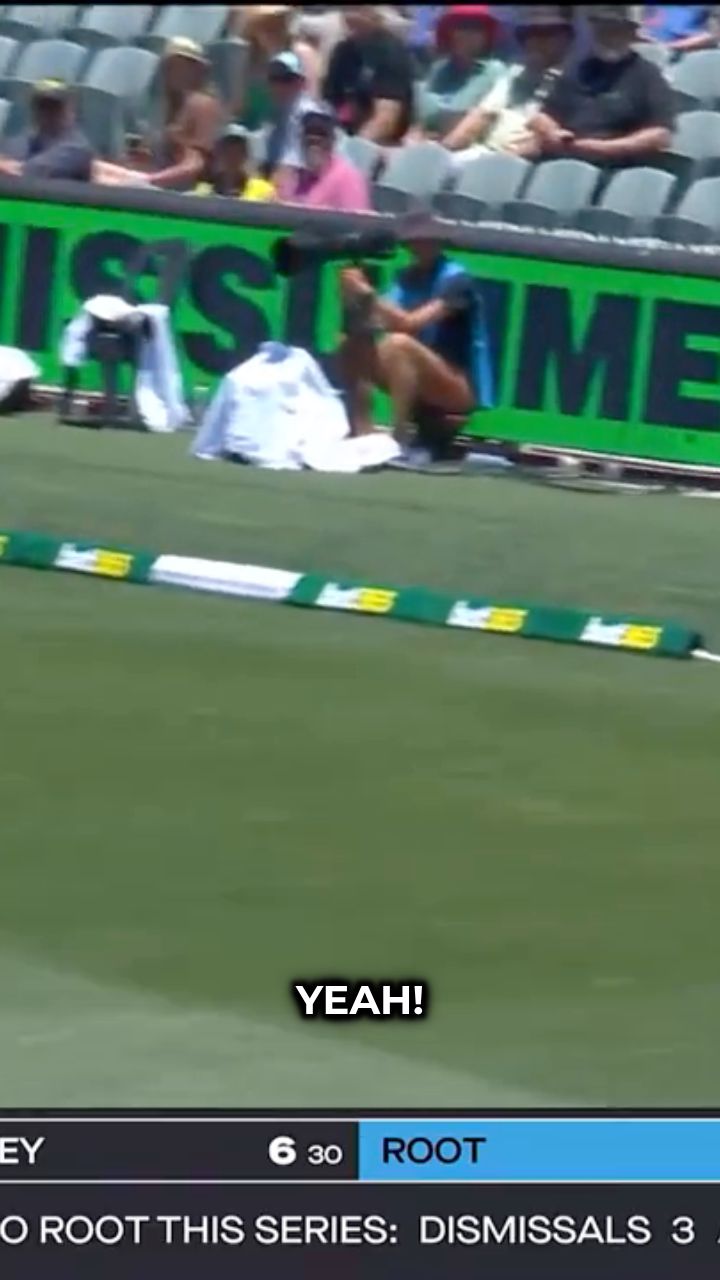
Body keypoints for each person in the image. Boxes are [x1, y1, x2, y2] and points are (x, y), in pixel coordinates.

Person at [338, 210, 492, 452]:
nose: (421, 247)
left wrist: (368, 294)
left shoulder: (458, 281)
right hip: (415, 374)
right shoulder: (405, 277)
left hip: (459, 387)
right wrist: (353, 299)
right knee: (351, 342)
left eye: (428, 241)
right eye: (416, 241)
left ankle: (398, 438)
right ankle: (361, 430)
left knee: (399, 344)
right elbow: (377, 322)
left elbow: (409, 324)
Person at [529, 4, 675, 165]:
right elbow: (544, 115)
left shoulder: (648, 76)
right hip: (562, 159)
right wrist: (552, 132)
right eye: (602, 28)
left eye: (615, 29)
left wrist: (603, 148)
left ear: (631, 33)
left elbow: (660, 135)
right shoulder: (577, 68)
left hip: (614, 167)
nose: (607, 35)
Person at [442, 6, 575, 163]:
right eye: (529, 34)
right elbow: (481, 116)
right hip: (483, 153)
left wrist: (502, 162)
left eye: (546, 34)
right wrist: (444, 151)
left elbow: (543, 143)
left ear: (565, 40)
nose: (536, 41)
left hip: (523, 163)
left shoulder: (571, 83)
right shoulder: (514, 74)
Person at [322, 4, 415, 144]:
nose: (351, 16)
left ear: (376, 15)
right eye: (346, 9)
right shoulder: (342, 52)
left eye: (358, 9)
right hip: (344, 134)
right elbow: (328, 105)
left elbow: (386, 120)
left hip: (384, 143)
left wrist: (353, 147)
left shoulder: (391, 52)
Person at [414, 5, 504, 143]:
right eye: (460, 27)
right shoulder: (438, 69)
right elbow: (419, 121)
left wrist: (442, 148)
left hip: (466, 148)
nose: (466, 34)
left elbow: (481, 120)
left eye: (476, 28)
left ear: (487, 36)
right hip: (424, 143)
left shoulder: (495, 72)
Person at [231, 5, 321, 127]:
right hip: (259, 129)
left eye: (278, 21)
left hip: (296, 126)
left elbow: (311, 102)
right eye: (265, 23)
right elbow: (248, 109)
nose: (273, 28)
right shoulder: (252, 61)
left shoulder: (303, 54)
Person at [275, 105, 370, 210]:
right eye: (309, 132)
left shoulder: (348, 179)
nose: (314, 139)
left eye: (322, 133)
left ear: (333, 139)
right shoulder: (295, 177)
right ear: (300, 137)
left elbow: (357, 219)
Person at [0, 80, 94, 181]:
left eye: (56, 108)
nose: (48, 113)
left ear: (72, 112)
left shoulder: (77, 148)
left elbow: (21, 172)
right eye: (42, 106)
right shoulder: (29, 137)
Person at [262, 51, 319, 176]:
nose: (278, 86)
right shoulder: (274, 116)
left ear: (301, 82)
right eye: (274, 79)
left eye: (286, 79)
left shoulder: (311, 116)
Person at [195, 123, 275, 199]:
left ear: (246, 154)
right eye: (227, 149)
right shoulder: (202, 192)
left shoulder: (263, 190)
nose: (232, 155)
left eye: (238, 150)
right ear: (218, 153)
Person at [639, 5, 718, 54]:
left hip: (690, 56)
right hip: (653, 53)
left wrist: (672, 45)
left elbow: (714, 35)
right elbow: (647, 25)